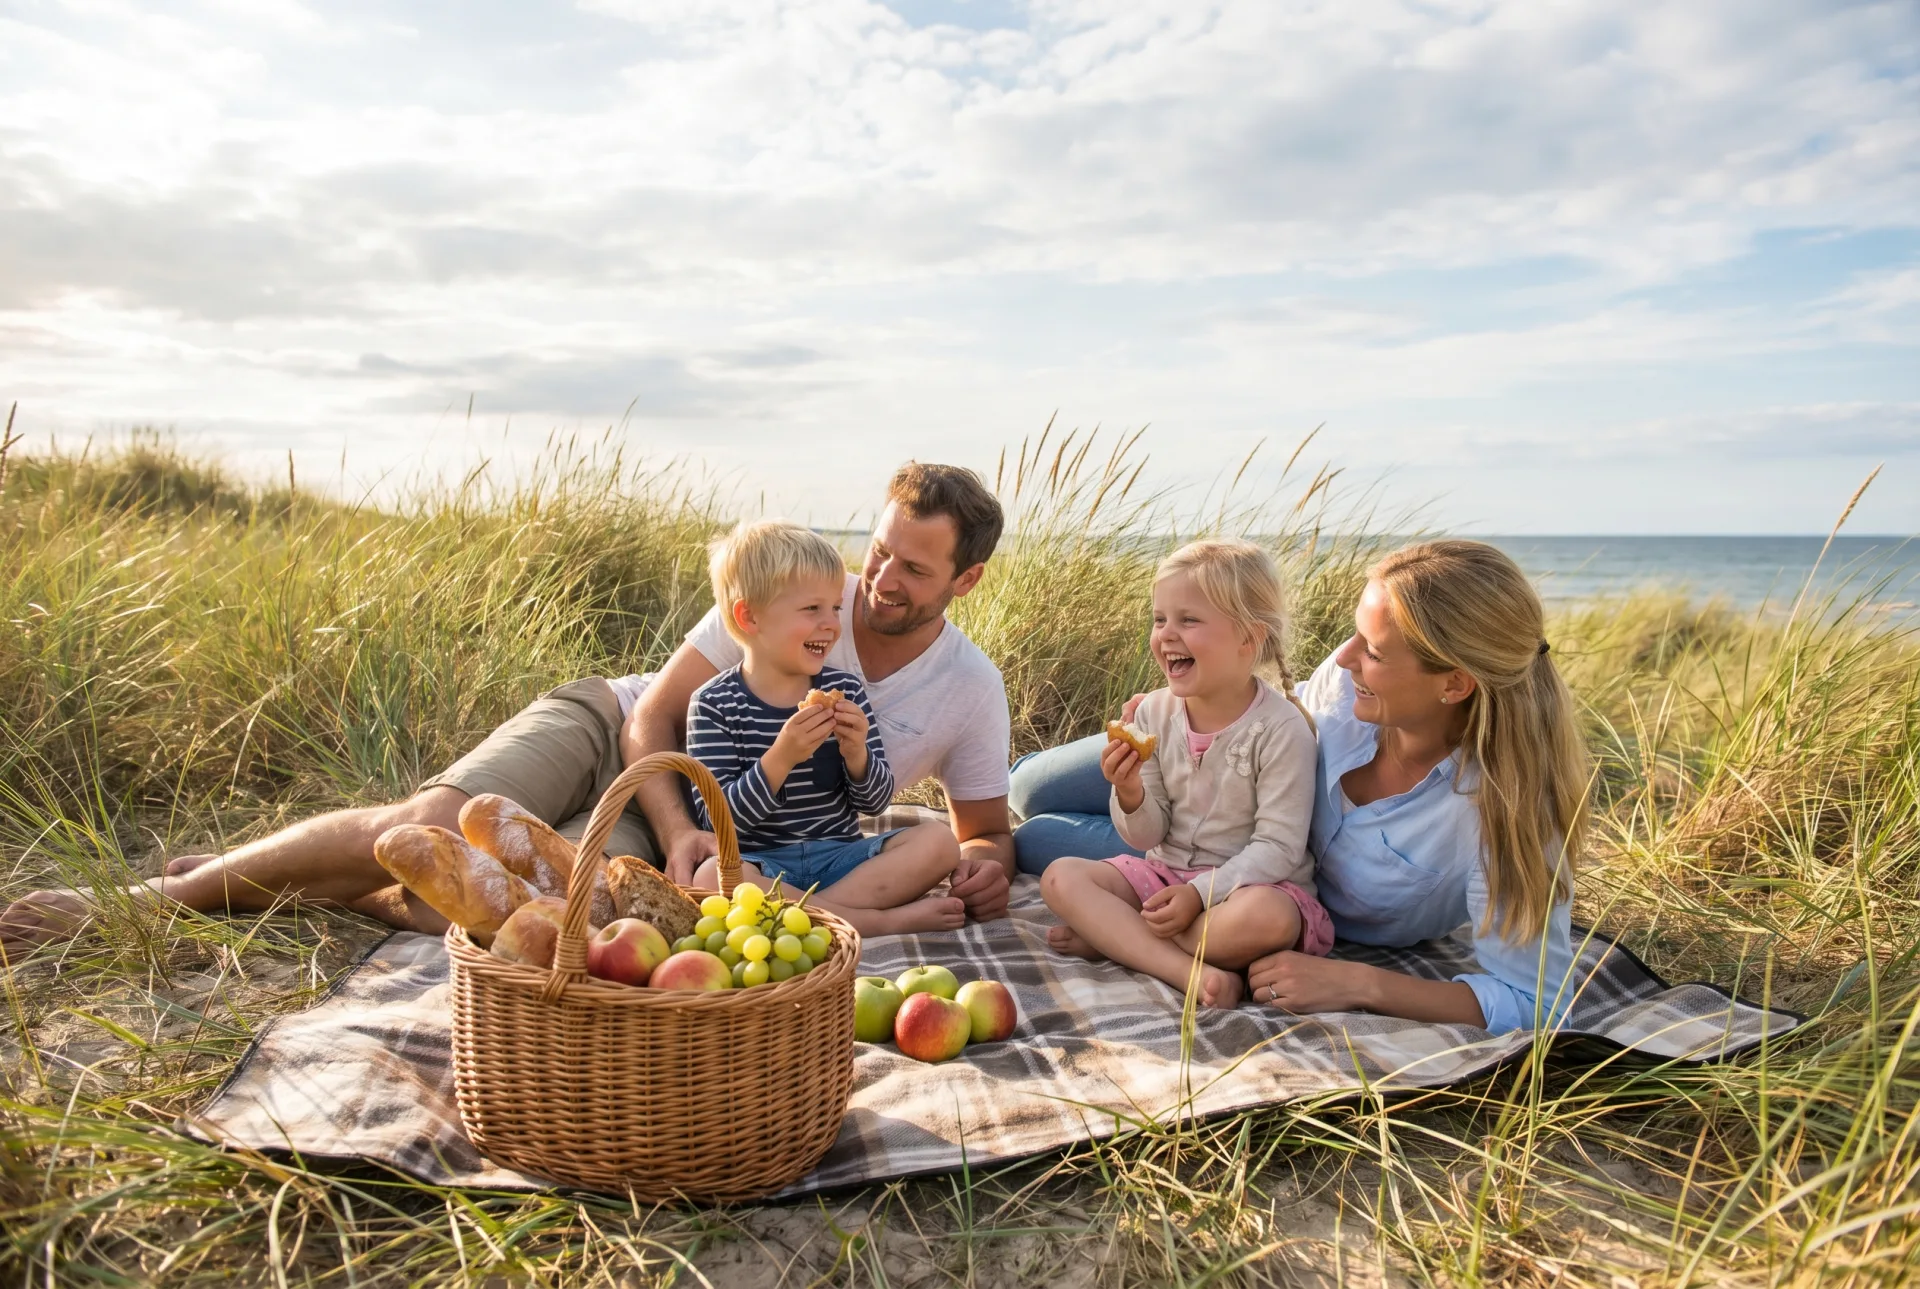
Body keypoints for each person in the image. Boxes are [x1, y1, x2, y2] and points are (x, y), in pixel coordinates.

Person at [0, 462, 1015, 951]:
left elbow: (982, 837)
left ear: (962, 583)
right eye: (879, 547)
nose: (878, 577)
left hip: (699, 808)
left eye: (911, 567)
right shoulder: (803, 597)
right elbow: (652, 722)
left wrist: (974, 877)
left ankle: (294, 883)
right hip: (613, 727)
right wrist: (683, 831)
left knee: (538, 906)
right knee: (433, 824)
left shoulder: (968, 687)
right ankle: (150, 902)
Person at [1011, 539, 1591, 1034]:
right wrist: (1179, 712)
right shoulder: (1342, 693)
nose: (1341, 659)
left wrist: (1358, 982)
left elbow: (1537, 1003)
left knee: (1037, 842)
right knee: (1028, 788)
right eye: (1354, 635)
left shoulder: (1507, 815)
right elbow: (1255, 695)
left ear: (1454, 684)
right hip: (1211, 767)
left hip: (1253, 886)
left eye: (1374, 651)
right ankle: (1128, 930)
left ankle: (1123, 935)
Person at [1039, 540, 1325, 1009]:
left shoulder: (1281, 729)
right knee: (1061, 878)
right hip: (1166, 878)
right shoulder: (1153, 712)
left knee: (1269, 919)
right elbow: (1147, 835)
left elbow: (1279, 847)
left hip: (1250, 890)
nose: (1166, 634)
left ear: (1248, 639)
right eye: (1159, 619)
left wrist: (1198, 895)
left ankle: (1123, 939)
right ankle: (1187, 971)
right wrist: (1129, 792)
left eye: (1188, 620)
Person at [684, 519, 964, 934]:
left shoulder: (844, 689)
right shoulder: (712, 705)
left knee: (939, 842)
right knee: (709, 877)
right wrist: (780, 759)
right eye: (811, 609)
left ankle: (812, 915)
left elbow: (874, 803)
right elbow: (716, 823)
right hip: (762, 863)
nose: (831, 623)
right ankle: (872, 922)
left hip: (841, 861)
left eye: (834, 607)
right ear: (750, 617)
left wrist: (857, 755)